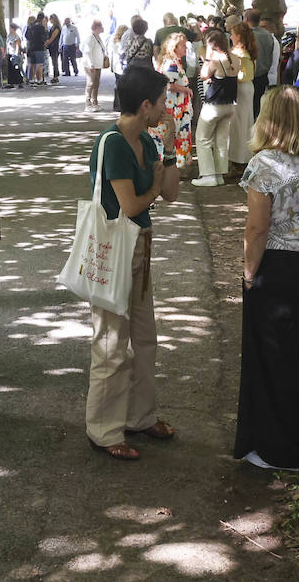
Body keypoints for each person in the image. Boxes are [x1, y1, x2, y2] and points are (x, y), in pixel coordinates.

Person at [234, 86, 299, 471]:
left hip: (278, 265)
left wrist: (248, 272)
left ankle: (281, 449)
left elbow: (257, 228)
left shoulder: (265, 165)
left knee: (276, 357)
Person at [84, 66, 180, 461]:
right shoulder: (113, 143)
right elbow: (132, 204)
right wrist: (155, 186)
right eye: (161, 101)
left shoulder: (147, 140)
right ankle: (104, 430)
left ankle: (140, 416)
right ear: (145, 105)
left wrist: (171, 147)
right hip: (114, 251)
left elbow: (172, 193)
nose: (165, 108)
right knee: (110, 345)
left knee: (144, 339)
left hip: (138, 247)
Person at [192, 30, 238, 188]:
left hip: (214, 106)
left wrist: (207, 57)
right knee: (221, 140)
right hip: (230, 105)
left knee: (202, 138)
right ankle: (219, 174)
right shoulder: (235, 59)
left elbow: (203, 75)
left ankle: (208, 175)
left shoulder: (214, 61)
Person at [151, 32, 193, 168]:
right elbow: (168, 85)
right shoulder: (172, 63)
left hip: (177, 105)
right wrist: (185, 89)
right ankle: (177, 163)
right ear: (175, 47)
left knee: (173, 133)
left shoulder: (171, 61)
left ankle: (176, 162)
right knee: (175, 133)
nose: (185, 49)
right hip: (175, 106)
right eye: (183, 46)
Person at [227, 21, 260, 178]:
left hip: (241, 89)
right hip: (247, 89)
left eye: (233, 34)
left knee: (239, 125)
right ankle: (242, 159)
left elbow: (241, 76)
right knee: (244, 123)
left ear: (238, 36)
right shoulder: (248, 51)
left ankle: (239, 161)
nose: (231, 36)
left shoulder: (240, 53)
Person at [245, 9, 276, 115]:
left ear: (246, 19)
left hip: (249, 78)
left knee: (248, 111)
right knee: (258, 108)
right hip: (263, 76)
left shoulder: (246, 36)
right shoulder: (268, 35)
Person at [82, 19, 108, 111]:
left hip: (98, 65)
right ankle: (88, 103)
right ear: (96, 27)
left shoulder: (98, 37)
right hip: (91, 65)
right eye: (101, 26)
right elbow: (87, 52)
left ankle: (95, 102)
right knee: (90, 83)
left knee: (96, 83)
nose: (102, 28)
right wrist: (90, 64)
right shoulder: (91, 37)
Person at [24, 14, 49, 87]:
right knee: (39, 64)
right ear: (42, 19)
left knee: (32, 64)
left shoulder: (30, 26)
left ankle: (31, 80)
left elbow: (26, 35)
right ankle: (39, 80)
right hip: (39, 47)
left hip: (31, 47)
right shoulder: (40, 27)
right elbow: (44, 37)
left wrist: (31, 41)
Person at [45, 13, 62, 84]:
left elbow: (52, 38)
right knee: (53, 61)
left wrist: (47, 43)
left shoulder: (56, 28)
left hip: (54, 46)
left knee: (54, 61)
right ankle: (55, 76)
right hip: (52, 46)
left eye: (50, 19)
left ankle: (56, 76)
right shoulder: (53, 27)